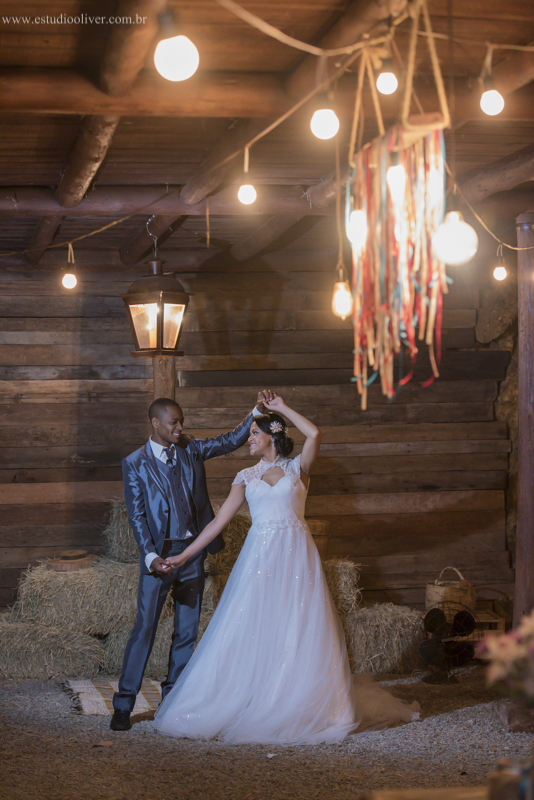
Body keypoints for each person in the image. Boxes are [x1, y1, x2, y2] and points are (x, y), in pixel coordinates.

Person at [154, 394, 420, 745]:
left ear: (273, 435)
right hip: (259, 559)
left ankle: (298, 701)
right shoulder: (245, 476)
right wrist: (184, 556)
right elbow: (217, 523)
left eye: (254, 433)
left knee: (299, 624)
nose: (248, 439)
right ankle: (252, 696)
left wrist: (280, 408)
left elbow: (315, 433)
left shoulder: (298, 469)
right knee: (252, 624)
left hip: (296, 558)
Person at [110, 390, 275, 732]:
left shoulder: (191, 448)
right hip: (159, 558)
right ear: (155, 423)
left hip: (193, 553)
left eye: (181, 422)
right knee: (144, 629)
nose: (179, 428)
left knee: (186, 631)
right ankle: (124, 705)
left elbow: (230, 440)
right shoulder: (135, 463)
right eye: (173, 423)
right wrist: (151, 556)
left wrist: (257, 411)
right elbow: (137, 516)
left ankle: (172, 702)